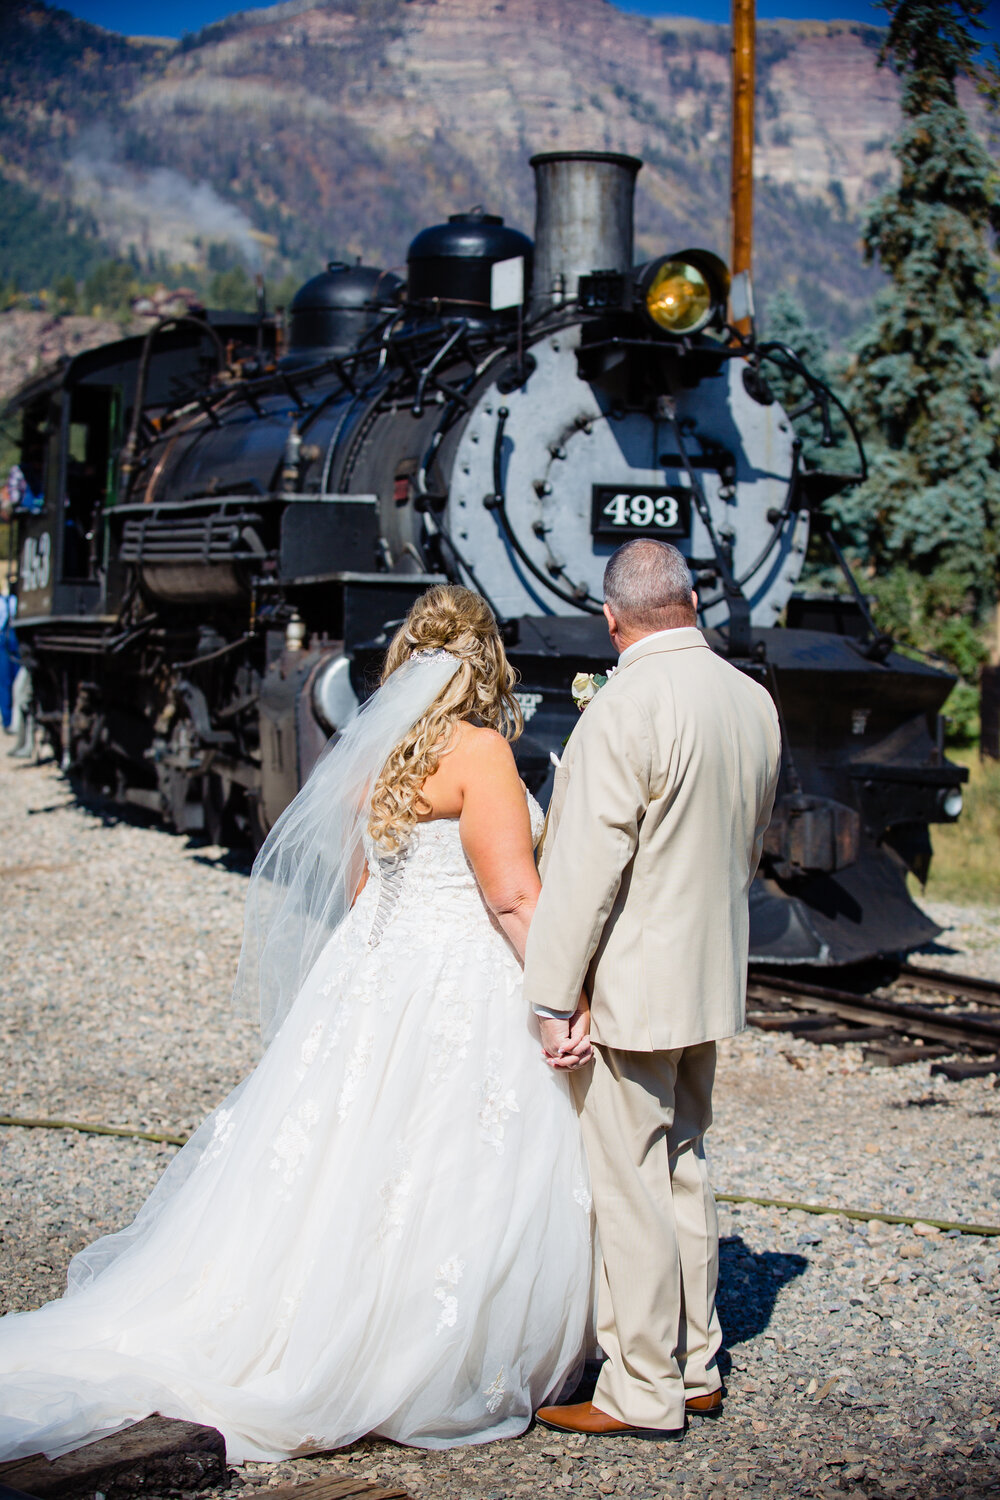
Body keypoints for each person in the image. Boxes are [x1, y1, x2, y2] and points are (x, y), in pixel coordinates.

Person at [0, 585, 594, 1463]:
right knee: (443, 1161)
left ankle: (312, 1317)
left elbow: (361, 887)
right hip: (459, 981)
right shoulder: (481, 753)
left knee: (345, 1159)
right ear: (487, 665)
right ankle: (412, 1356)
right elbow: (511, 896)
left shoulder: (381, 754)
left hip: (375, 972)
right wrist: (562, 999)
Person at [527, 539, 781, 1441]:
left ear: (613, 616)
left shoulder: (624, 706)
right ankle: (697, 1364)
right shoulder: (753, 701)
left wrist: (553, 995)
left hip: (631, 985)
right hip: (707, 975)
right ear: (687, 602)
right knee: (684, 1166)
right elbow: (748, 844)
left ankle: (640, 1390)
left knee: (628, 1185)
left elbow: (587, 870)